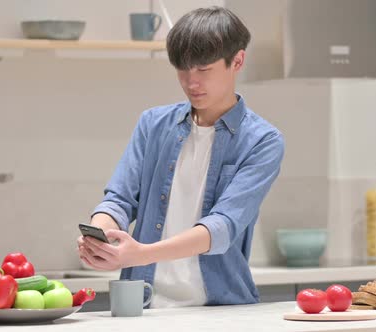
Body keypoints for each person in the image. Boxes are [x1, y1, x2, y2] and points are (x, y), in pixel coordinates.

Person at [77, 6, 284, 307]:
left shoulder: (263, 141)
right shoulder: (153, 124)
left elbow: (221, 227)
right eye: (182, 69)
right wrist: (101, 233)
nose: (191, 82)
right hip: (143, 305)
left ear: (237, 60)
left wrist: (141, 253)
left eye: (203, 69)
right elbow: (119, 200)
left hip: (220, 309)